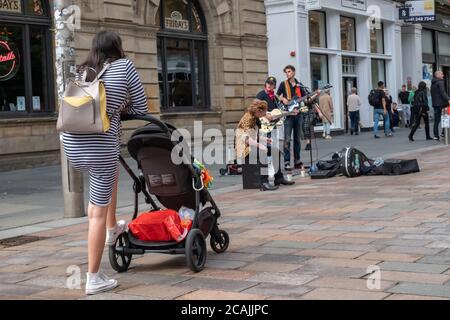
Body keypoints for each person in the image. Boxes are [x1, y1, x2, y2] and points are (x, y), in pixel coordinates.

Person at [62, 31, 148, 295]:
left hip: (71, 144)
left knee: (107, 179)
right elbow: (141, 107)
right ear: (118, 47)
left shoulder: (83, 69)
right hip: (99, 146)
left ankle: (112, 229)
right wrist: (121, 109)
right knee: (95, 213)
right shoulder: (125, 65)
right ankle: (93, 278)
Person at [235, 99, 295, 191]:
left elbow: (253, 135)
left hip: (251, 143)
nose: (265, 114)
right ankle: (264, 183)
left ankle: (278, 178)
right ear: (258, 111)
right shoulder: (248, 118)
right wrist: (260, 145)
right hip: (243, 147)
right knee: (263, 152)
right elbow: (245, 138)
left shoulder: (255, 117)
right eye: (264, 111)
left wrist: (264, 139)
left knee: (275, 151)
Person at [277, 65, 308, 170]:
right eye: (286, 72)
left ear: (294, 72)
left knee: (297, 139)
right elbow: (277, 95)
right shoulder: (283, 84)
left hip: (298, 115)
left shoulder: (300, 85)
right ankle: (286, 162)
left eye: (289, 71)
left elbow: (306, 99)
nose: (287, 73)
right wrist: (283, 99)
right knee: (287, 139)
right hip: (288, 116)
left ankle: (297, 161)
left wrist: (315, 95)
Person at [431, 70, 450, 141]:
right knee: (445, 118)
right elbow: (443, 92)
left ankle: (436, 136)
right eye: (442, 74)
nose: (443, 75)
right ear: (438, 75)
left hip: (435, 104)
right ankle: (443, 133)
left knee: (436, 120)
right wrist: (448, 99)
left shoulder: (433, 83)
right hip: (442, 104)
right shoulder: (440, 82)